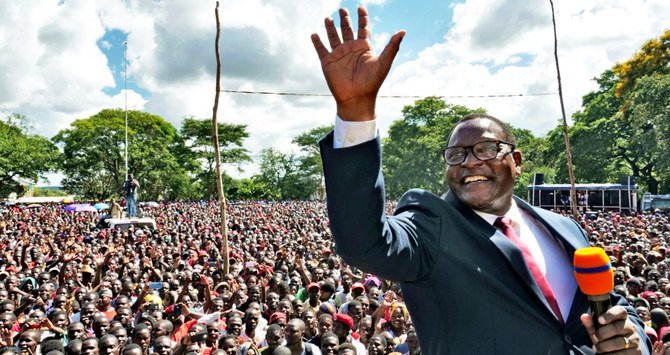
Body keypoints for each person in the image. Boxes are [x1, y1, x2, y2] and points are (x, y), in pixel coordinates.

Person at [311, 6, 651, 354]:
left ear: (516, 161)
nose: (470, 161)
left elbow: (611, 303)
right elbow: (363, 242)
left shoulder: (564, 228)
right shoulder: (432, 225)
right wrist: (355, 110)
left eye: (486, 149)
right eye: (456, 155)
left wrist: (632, 337)